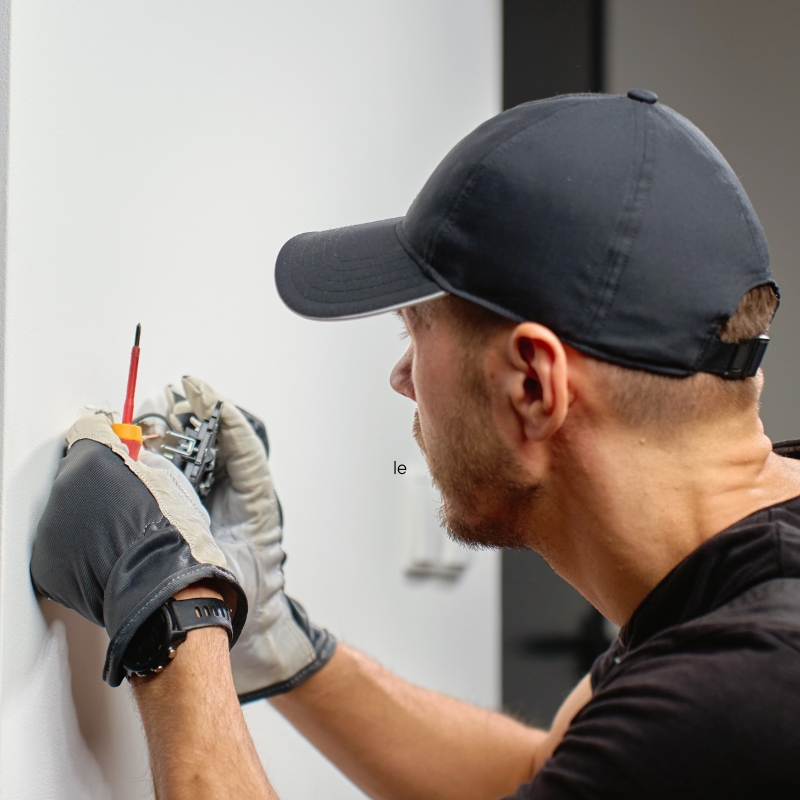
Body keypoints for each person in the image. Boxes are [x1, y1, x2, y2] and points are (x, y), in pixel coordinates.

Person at [30, 90, 800, 799]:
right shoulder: (741, 587)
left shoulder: (739, 699)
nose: (402, 377)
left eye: (416, 330)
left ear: (532, 386)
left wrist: (173, 618)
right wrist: (279, 642)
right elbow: (544, 773)